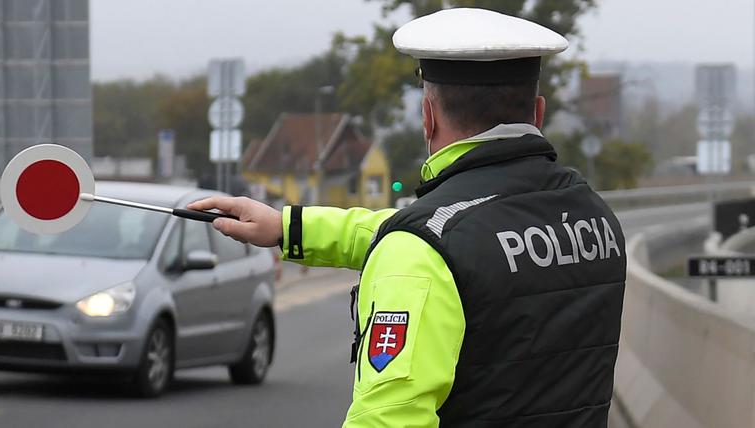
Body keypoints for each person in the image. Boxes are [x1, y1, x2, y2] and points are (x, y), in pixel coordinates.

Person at [190, 7, 626, 428]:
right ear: (539, 113)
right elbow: (456, 242)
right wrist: (288, 228)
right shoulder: (593, 217)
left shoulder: (427, 247)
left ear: (428, 116)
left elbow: (390, 418)